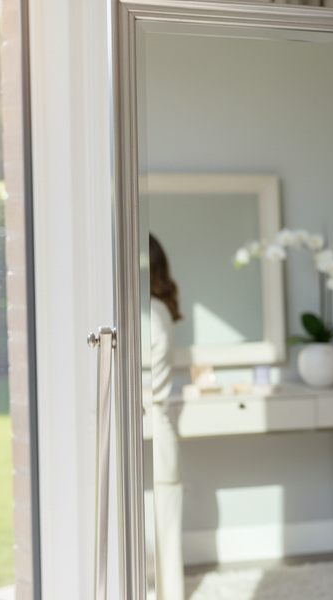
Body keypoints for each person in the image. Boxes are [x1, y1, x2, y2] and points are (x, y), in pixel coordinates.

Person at [149, 233, 185, 599]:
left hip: (148, 429)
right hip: (157, 427)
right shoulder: (159, 310)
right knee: (166, 521)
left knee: (164, 518)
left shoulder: (147, 315)